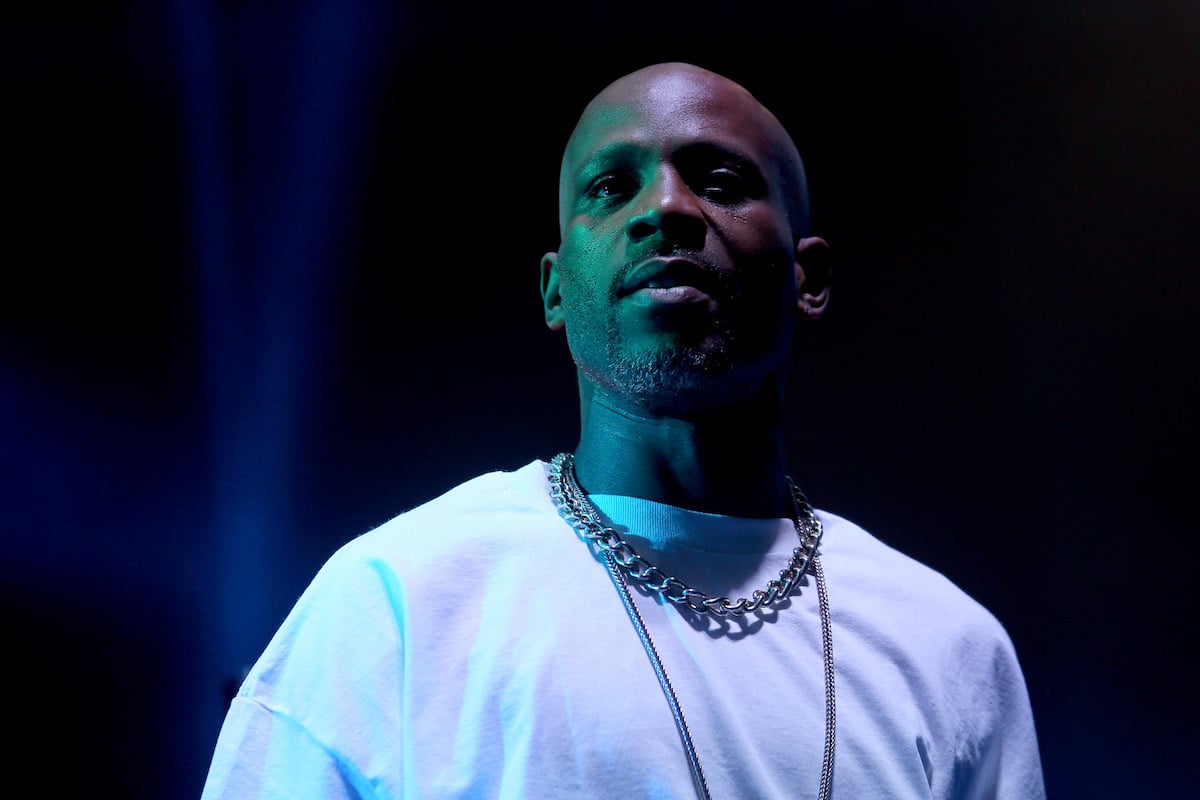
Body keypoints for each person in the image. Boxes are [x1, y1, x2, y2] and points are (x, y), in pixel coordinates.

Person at [200, 61, 1045, 799]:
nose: (666, 207)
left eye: (720, 181)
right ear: (555, 288)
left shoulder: (947, 648)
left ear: (807, 276)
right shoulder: (395, 601)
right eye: (611, 187)